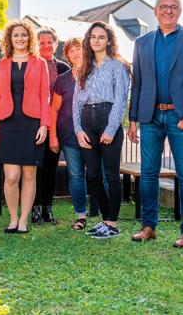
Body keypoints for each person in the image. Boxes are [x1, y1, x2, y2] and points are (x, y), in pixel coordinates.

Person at [129, 0, 183, 248]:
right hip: (150, 116)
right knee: (148, 173)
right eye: (163, 7)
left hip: (181, 116)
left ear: (180, 11)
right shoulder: (142, 43)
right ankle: (148, 227)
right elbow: (138, 83)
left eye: (173, 7)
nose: (168, 10)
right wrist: (133, 119)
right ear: (155, 11)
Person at [0, 20, 50, 234]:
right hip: (7, 123)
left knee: (29, 175)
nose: (20, 38)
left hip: (32, 123)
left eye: (24, 35)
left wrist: (44, 125)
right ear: (9, 38)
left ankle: (23, 220)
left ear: (29, 38)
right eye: (15, 35)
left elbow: (45, 96)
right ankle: (13, 218)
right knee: (11, 176)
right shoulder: (2, 63)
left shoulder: (39, 63)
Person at [72, 21, 130, 239]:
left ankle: (112, 224)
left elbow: (121, 100)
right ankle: (106, 220)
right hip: (87, 121)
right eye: (93, 37)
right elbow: (76, 102)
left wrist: (112, 128)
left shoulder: (118, 66)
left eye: (101, 37)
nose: (96, 40)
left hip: (108, 118)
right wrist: (78, 129)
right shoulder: (83, 68)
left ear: (109, 41)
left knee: (112, 175)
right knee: (93, 175)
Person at [32, 27, 70, 225]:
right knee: (33, 168)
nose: (46, 46)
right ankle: (34, 207)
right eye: (42, 42)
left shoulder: (63, 68)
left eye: (49, 42)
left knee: (50, 168)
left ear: (55, 44)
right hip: (33, 125)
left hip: (55, 126)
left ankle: (47, 207)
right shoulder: (31, 64)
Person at [49, 38, 88, 230]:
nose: (76, 53)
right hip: (69, 135)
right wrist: (53, 136)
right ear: (67, 56)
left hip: (93, 134)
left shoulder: (95, 74)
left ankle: (105, 216)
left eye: (78, 49)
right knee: (76, 175)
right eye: (71, 51)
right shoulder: (62, 80)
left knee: (98, 174)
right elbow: (54, 109)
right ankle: (81, 215)